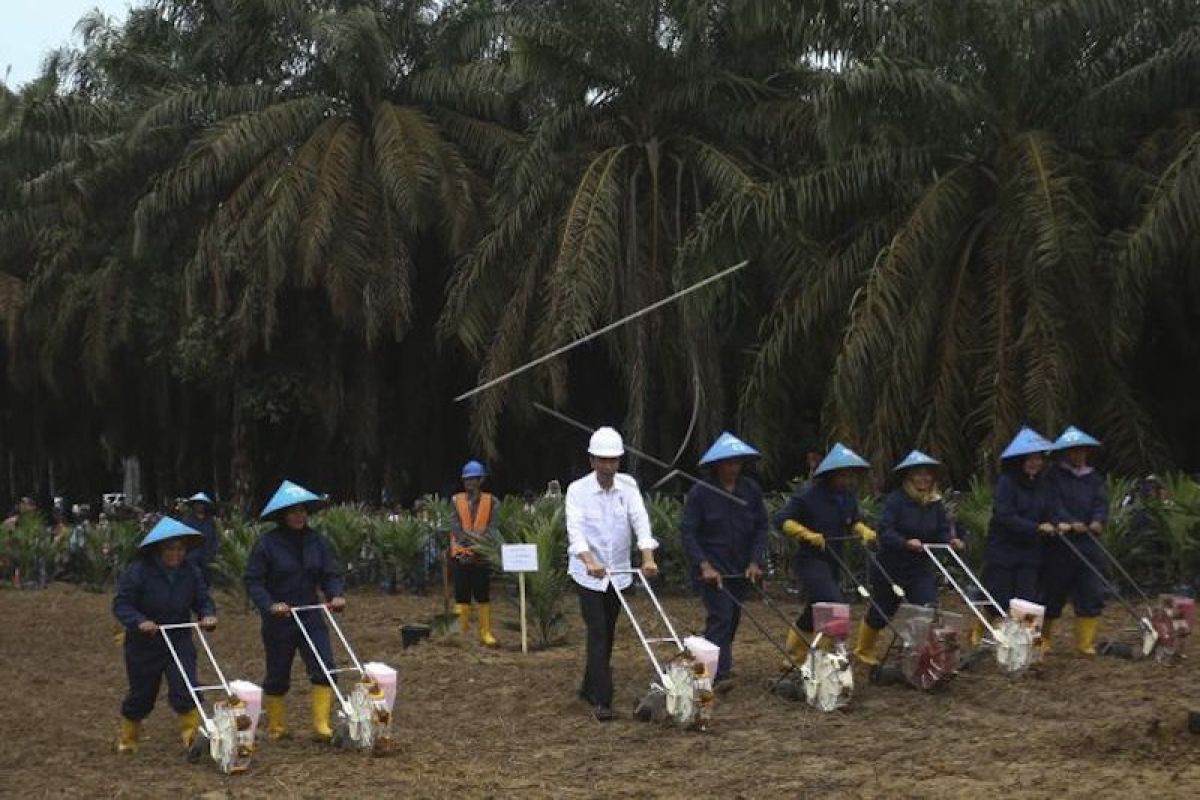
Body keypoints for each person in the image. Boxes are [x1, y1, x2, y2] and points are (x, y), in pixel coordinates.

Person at [566, 426, 659, 722]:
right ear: (592, 460)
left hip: (618, 573)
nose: (608, 466)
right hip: (587, 574)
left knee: (607, 633)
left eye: (614, 460)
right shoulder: (577, 490)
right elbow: (575, 531)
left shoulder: (628, 486)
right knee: (597, 631)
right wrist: (589, 560)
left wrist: (648, 557)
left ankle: (587, 687)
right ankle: (603, 700)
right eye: (603, 460)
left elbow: (640, 522)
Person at [244, 480, 346, 741]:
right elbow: (253, 581)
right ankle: (277, 726)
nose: (299, 516)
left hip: (311, 613)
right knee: (278, 673)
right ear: (283, 515)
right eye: (293, 512)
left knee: (325, 667)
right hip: (280, 618)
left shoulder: (317, 542)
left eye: (302, 511)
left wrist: (335, 595)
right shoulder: (267, 544)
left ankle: (321, 726)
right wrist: (269, 605)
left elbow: (329, 573)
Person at [112, 516, 217, 754]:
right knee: (142, 694)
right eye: (170, 548)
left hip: (178, 638)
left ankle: (192, 740)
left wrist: (208, 615)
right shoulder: (139, 572)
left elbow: (203, 600)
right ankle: (129, 739)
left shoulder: (191, 571)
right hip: (144, 644)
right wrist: (140, 622)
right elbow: (122, 604)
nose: (176, 554)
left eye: (181, 549)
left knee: (186, 687)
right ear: (158, 550)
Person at [854, 450, 962, 665]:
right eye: (918, 474)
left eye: (927, 474)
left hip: (919, 567)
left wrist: (950, 541)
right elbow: (885, 530)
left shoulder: (935, 502)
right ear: (909, 477)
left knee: (926, 607)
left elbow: (941, 529)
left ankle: (915, 653)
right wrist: (904, 542)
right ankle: (863, 649)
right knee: (882, 611)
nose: (924, 479)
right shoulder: (897, 500)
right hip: (891, 565)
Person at [773, 443, 877, 665]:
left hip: (833, 560)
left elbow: (852, 521)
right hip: (810, 561)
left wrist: (862, 530)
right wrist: (806, 533)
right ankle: (827, 656)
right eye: (843, 474)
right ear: (830, 474)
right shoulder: (808, 496)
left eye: (850, 475)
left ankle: (795, 653)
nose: (848, 479)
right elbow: (781, 520)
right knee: (833, 603)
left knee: (815, 608)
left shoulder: (847, 497)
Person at [680, 432, 768, 690]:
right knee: (721, 617)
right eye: (728, 463)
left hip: (740, 567)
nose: (733, 468)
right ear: (717, 465)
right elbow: (688, 531)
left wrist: (755, 561)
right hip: (712, 568)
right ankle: (718, 674)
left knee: (733, 618)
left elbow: (761, 527)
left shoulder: (750, 490)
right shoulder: (700, 493)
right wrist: (704, 565)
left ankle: (707, 662)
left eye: (737, 463)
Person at [979, 427, 1063, 644]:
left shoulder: (1043, 484)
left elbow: (1051, 510)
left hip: (1030, 550)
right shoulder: (1006, 483)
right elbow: (1004, 516)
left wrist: (1056, 523)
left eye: (1038, 458)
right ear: (1019, 460)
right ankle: (982, 632)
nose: (1035, 463)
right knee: (999, 597)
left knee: (1028, 598)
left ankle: (1023, 643)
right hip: (1003, 549)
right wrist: (1035, 527)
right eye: (1030, 458)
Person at [1042, 426, 1108, 655]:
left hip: (1089, 542)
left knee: (1090, 590)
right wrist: (1068, 521)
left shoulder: (1094, 477)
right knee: (1052, 591)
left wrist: (1098, 520)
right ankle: (1043, 639)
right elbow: (1051, 504)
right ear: (1065, 453)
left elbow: (1101, 502)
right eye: (1072, 451)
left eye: (1081, 451)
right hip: (1061, 543)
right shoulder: (1053, 475)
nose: (1077, 455)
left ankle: (1085, 642)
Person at [450, 460, 500, 646]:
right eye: (466, 480)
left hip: (481, 556)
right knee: (461, 595)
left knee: (482, 594)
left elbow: (493, 529)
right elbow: (455, 527)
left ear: (480, 480)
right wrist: (469, 543)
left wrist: (477, 546)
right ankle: (459, 634)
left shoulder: (492, 501)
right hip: (461, 555)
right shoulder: (456, 500)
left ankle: (485, 633)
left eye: (473, 479)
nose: (469, 483)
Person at [182, 492, 219, 586]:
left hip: (208, 554)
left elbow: (215, 537)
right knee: (193, 577)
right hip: (192, 554)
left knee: (207, 578)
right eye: (197, 503)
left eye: (202, 504)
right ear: (193, 505)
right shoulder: (187, 520)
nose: (200, 506)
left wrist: (214, 550)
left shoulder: (210, 521)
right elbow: (183, 537)